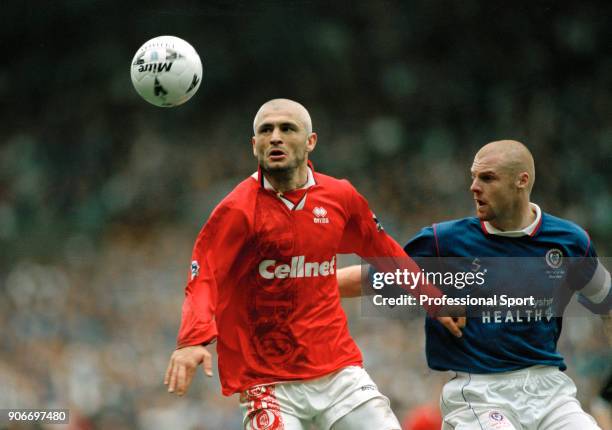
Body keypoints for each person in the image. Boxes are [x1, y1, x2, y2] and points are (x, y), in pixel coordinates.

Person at [163, 98, 462, 430]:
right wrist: (192, 339)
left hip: (338, 372)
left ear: (310, 141)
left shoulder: (340, 196)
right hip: (269, 383)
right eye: (266, 130)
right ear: (254, 145)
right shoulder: (237, 209)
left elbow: (384, 250)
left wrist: (432, 297)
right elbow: (204, 276)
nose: (275, 137)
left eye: (287, 128)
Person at [338, 140, 611, 429]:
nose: (474, 186)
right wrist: (297, 287)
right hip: (480, 393)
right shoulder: (444, 242)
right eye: (473, 176)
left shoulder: (570, 241)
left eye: (487, 177)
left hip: (551, 390)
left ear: (522, 180)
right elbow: (372, 279)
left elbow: (606, 301)